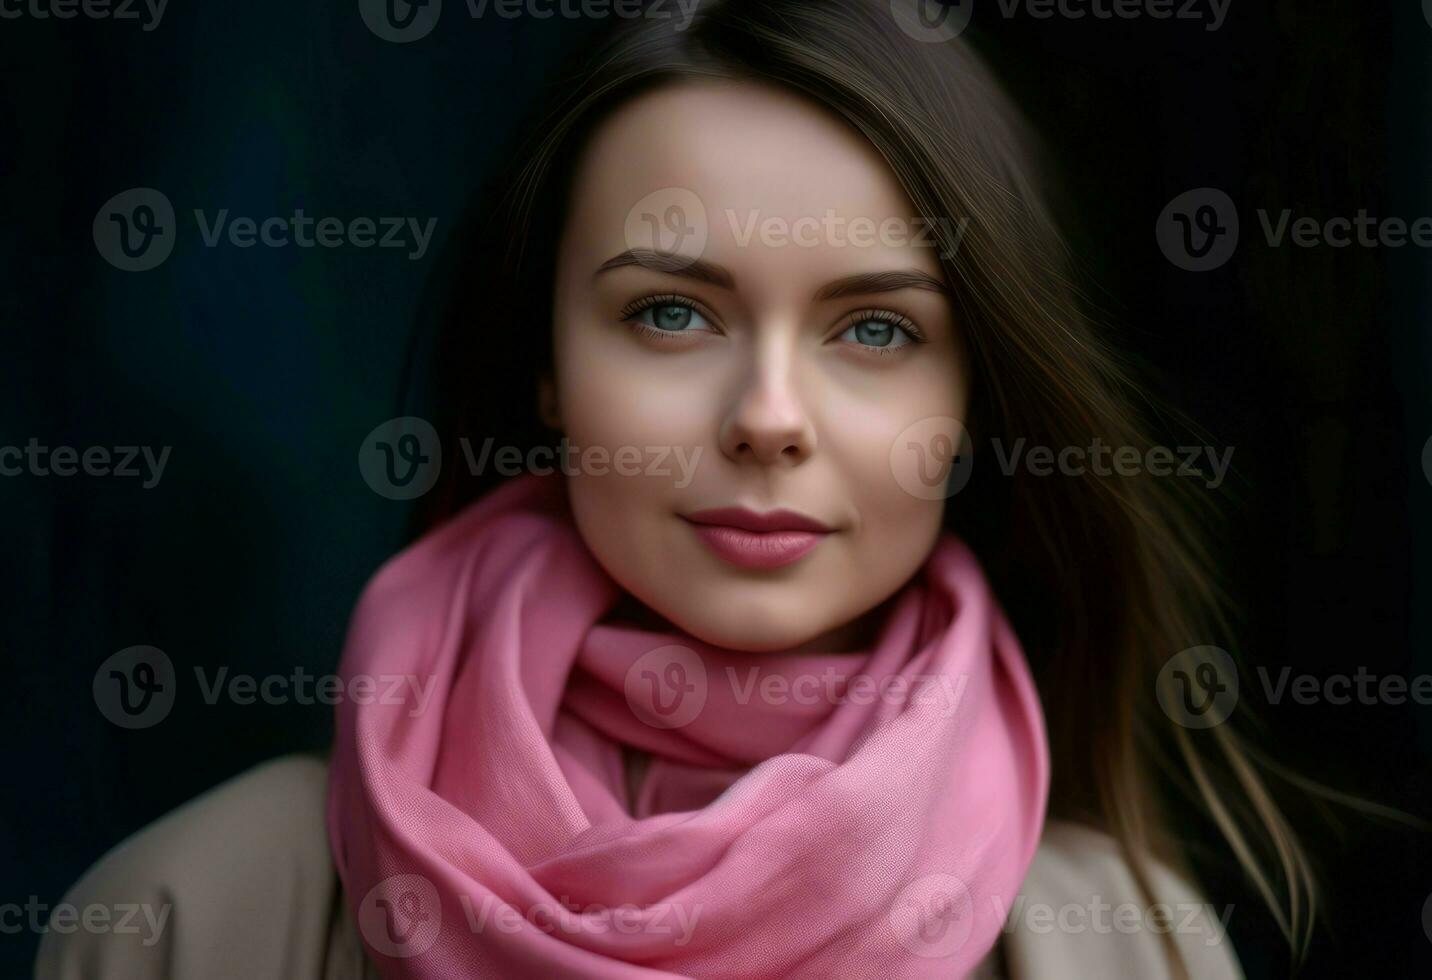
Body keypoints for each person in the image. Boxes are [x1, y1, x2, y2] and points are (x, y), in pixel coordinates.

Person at [39, 1, 1309, 976]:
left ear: (974, 398)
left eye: (873, 331)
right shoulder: (179, 917)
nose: (766, 417)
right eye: (668, 312)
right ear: (546, 364)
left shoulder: (1127, 944)